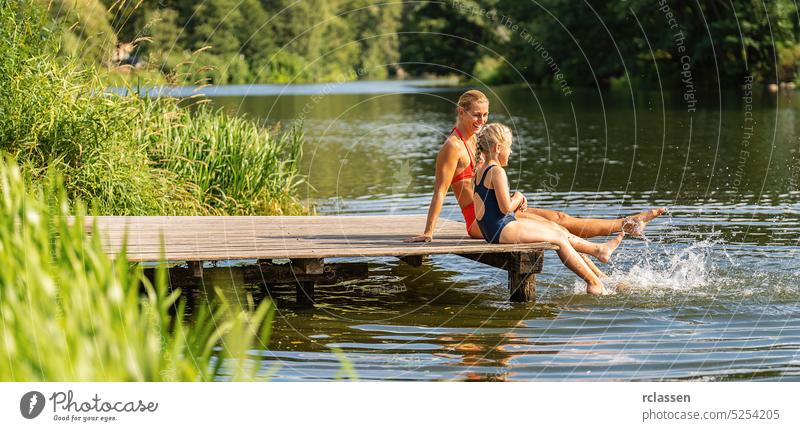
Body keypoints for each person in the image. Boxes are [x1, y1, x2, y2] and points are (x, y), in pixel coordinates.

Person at [405, 89, 665, 243]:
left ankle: (627, 224)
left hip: (495, 208)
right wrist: (429, 232)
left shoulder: (477, 139)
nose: (481, 121)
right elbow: (440, 190)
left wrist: (511, 197)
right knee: (556, 226)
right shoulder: (453, 147)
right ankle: (620, 232)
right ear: (461, 112)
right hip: (479, 222)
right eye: (476, 115)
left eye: (485, 115)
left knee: (559, 218)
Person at [472, 124, 622, 295]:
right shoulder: (496, 171)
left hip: (493, 229)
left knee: (554, 228)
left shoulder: (481, 170)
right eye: (510, 147)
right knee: (558, 239)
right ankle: (593, 282)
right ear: (498, 148)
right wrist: (518, 197)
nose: (511, 152)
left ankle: (599, 250)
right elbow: (506, 208)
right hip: (502, 230)